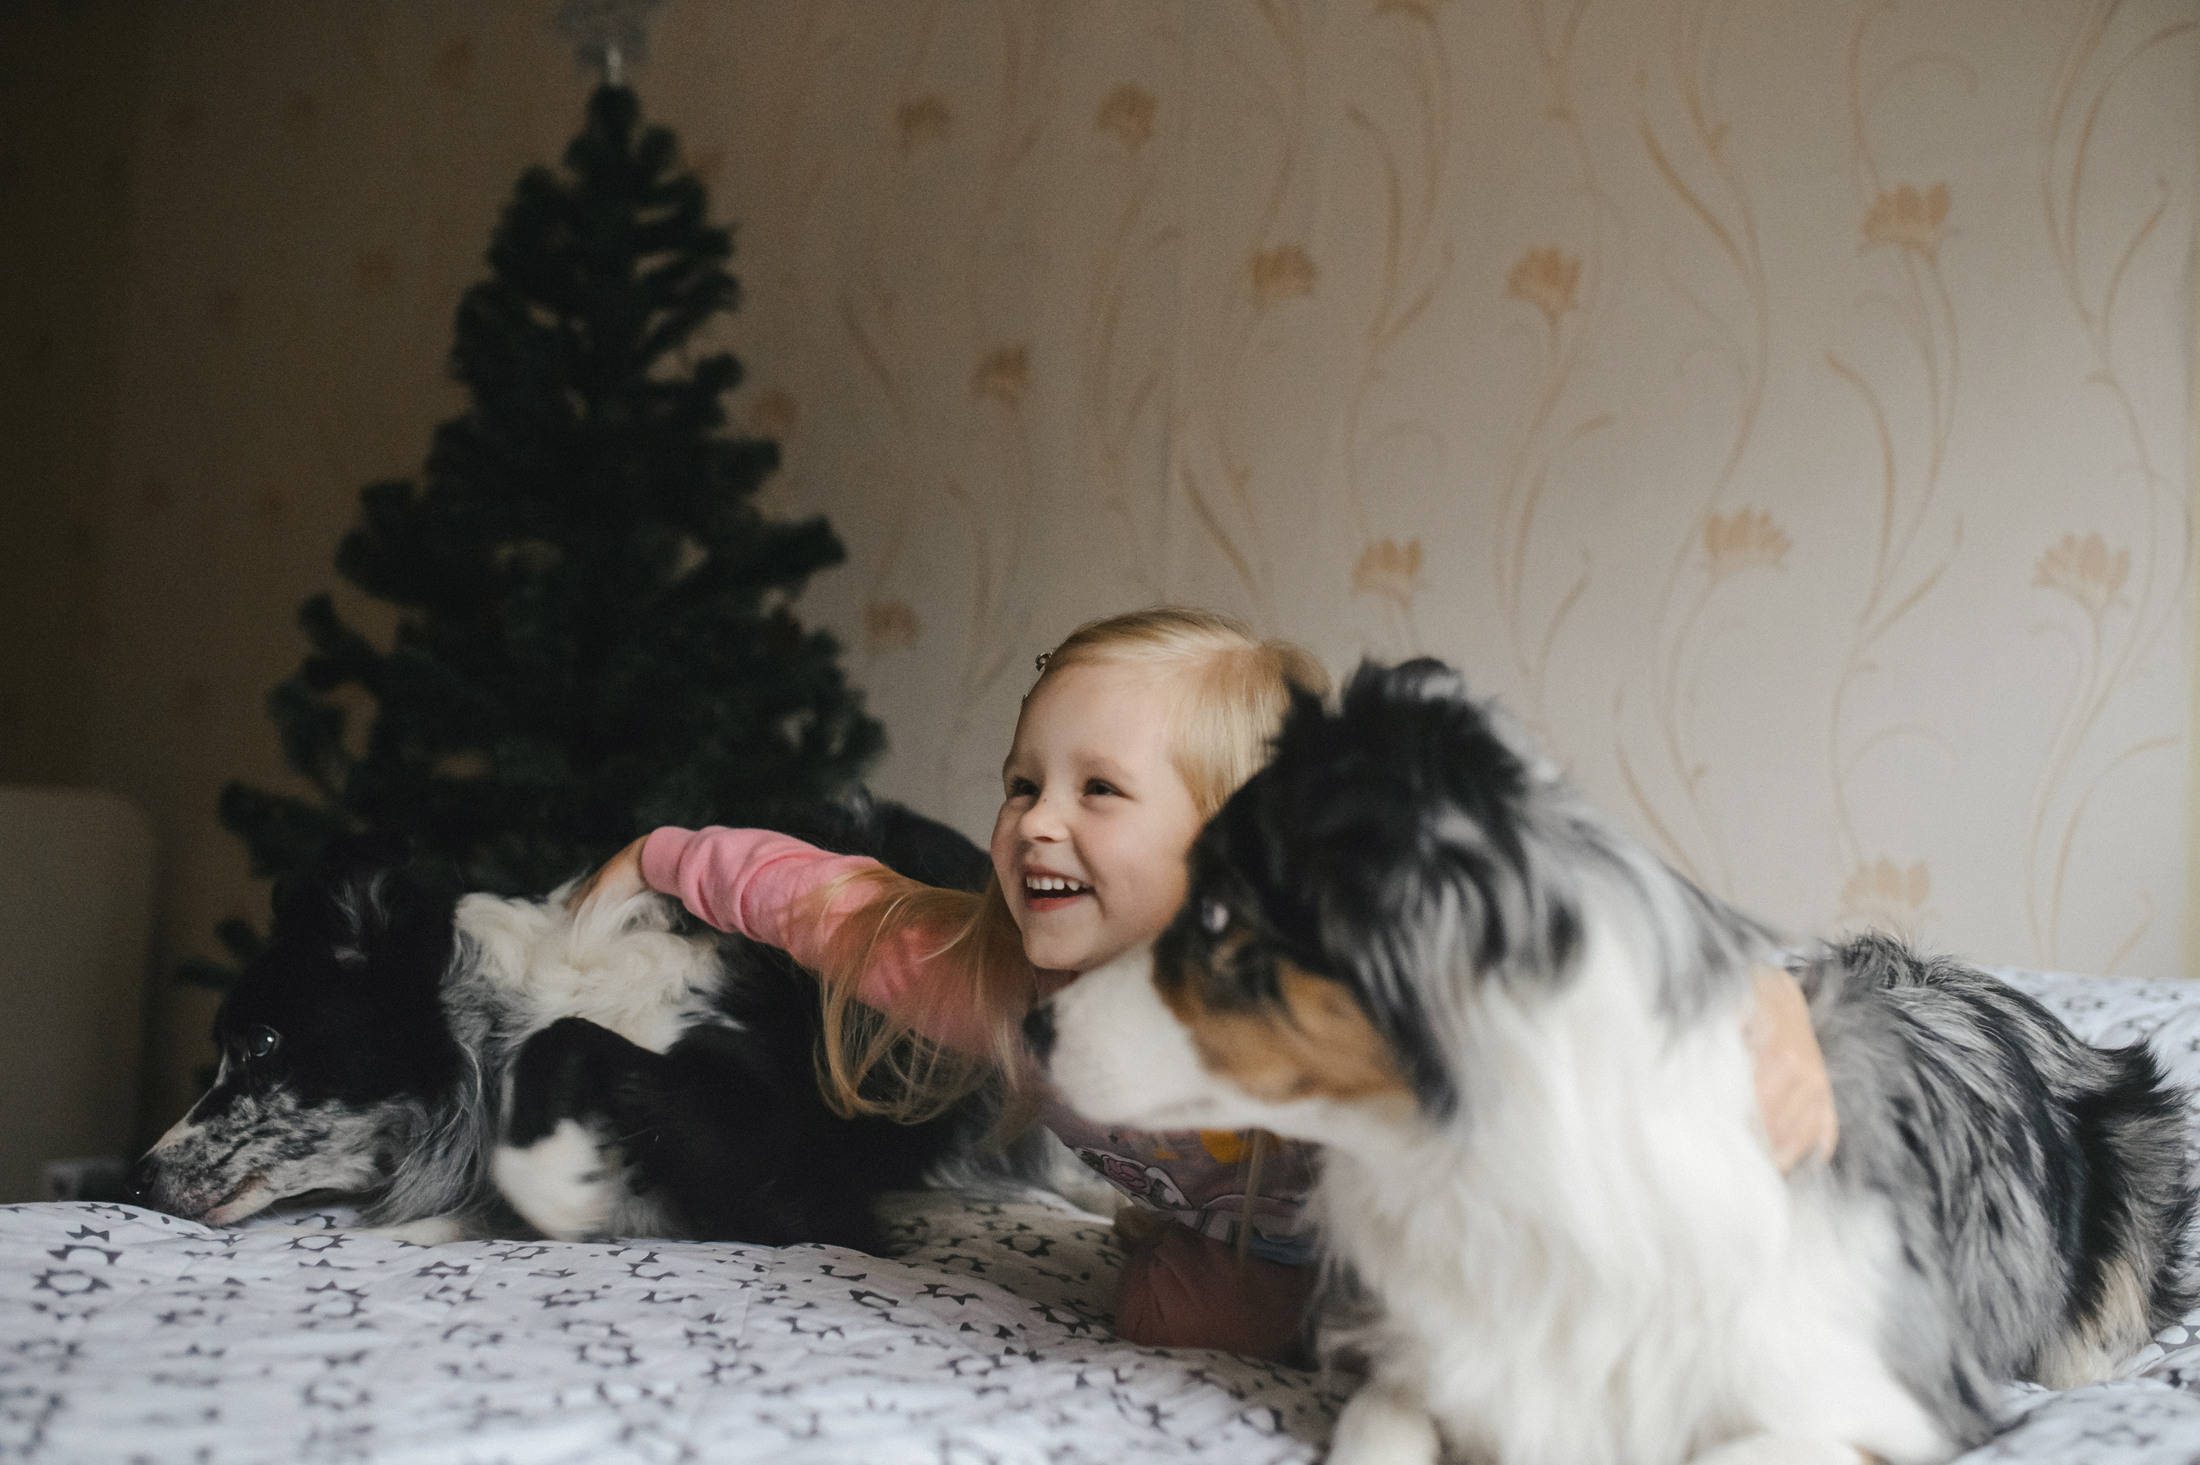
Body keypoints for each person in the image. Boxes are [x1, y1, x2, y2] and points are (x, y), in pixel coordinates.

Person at [574, 607, 1837, 1363]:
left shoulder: (1328, 982)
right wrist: (668, 855)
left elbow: (1583, 952)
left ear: (1228, 841)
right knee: (1165, 1315)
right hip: (1250, 1254)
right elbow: (830, 904)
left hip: (1410, 1250)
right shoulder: (994, 981)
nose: (1032, 824)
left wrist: (1769, 1011)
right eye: (1022, 784)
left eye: (1098, 790)